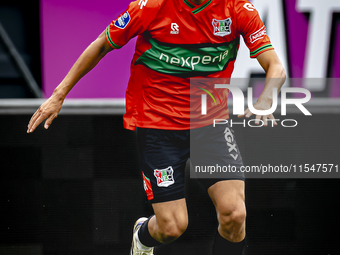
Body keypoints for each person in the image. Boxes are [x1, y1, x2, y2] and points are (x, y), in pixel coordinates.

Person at [27, 0, 286, 254]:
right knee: (172, 227)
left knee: (235, 214)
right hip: (158, 126)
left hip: (210, 124)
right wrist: (59, 94)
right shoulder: (151, 6)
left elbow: (276, 67)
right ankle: (142, 237)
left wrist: (266, 99)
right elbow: (102, 45)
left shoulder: (238, 9)